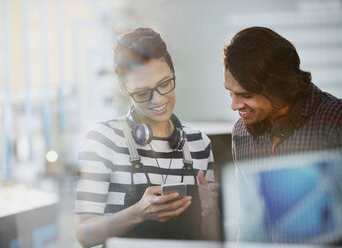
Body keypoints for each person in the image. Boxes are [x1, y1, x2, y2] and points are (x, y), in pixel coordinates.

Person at [75, 27, 220, 247]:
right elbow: (84, 234)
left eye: (164, 84)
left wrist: (212, 212)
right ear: (124, 88)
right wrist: (137, 213)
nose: (158, 100)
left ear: (173, 72)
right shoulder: (103, 140)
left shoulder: (199, 143)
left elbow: (212, 236)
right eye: (143, 93)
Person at [223, 26, 342, 163]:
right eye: (231, 92)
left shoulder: (336, 119)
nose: (234, 106)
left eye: (246, 95)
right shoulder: (240, 131)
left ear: (278, 86)